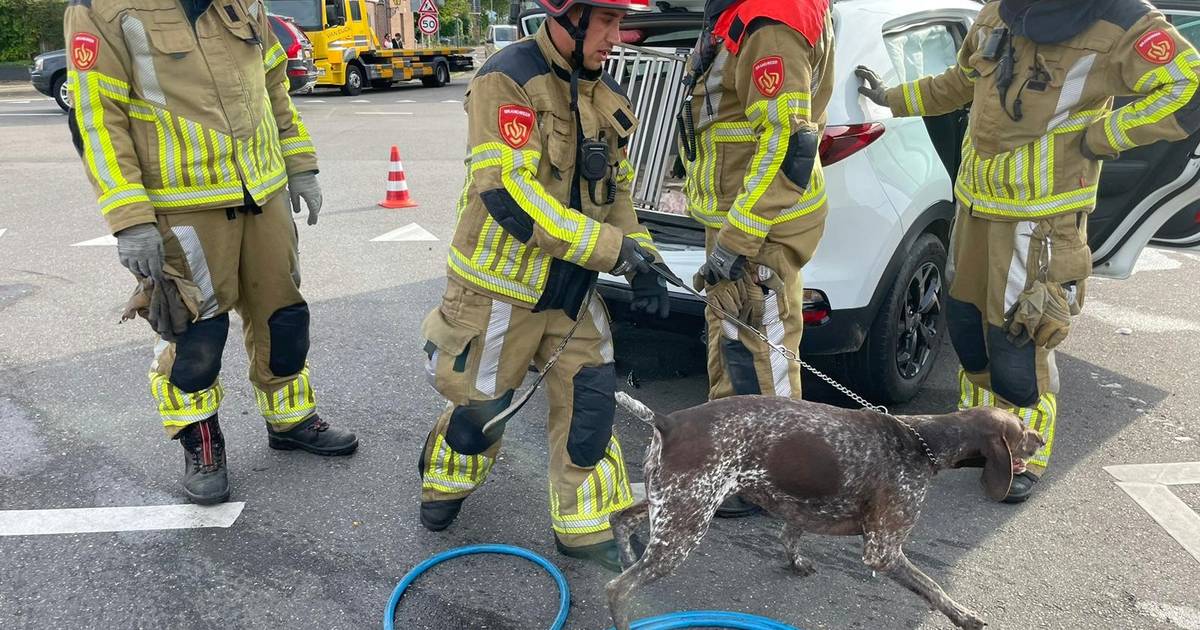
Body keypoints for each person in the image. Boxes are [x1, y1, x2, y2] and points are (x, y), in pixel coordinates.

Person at [855, 0, 1200, 502]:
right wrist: (891, 97)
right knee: (969, 330)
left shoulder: (1122, 18)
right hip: (975, 204)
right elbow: (959, 80)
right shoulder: (1000, 10)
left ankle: (1022, 452)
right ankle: (980, 437)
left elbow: (1188, 86)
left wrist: (1104, 135)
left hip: (1042, 219)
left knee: (1020, 341)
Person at [64, 0, 358, 505]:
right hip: (180, 204)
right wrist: (129, 216)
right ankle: (201, 442)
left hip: (262, 193)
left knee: (283, 317)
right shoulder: (101, 9)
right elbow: (97, 118)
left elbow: (275, 86)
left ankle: (289, 419)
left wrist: (300, 163)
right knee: (194, 332)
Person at [415, 0, 671, 572]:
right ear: (568, 17)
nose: (617, 35)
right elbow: (507, 193)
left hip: (572, 288)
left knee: (591, 401)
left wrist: (646, 259)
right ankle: (445, 480)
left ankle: (581, 526)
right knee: (482, 413)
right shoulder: (507, 79)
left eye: (617, 21)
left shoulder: (606, 94)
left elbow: (619, 197)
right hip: (500, 287)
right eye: (604, 21)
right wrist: (612, 251)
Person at [678, 0, 835, 517]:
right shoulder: (749, 14)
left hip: (757, 223)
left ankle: (776, 476)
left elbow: (788, 144)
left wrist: (736, 240)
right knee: (734, 338)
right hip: (739, 215)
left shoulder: (771, 20)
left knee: (761, 349)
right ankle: (738, 461)